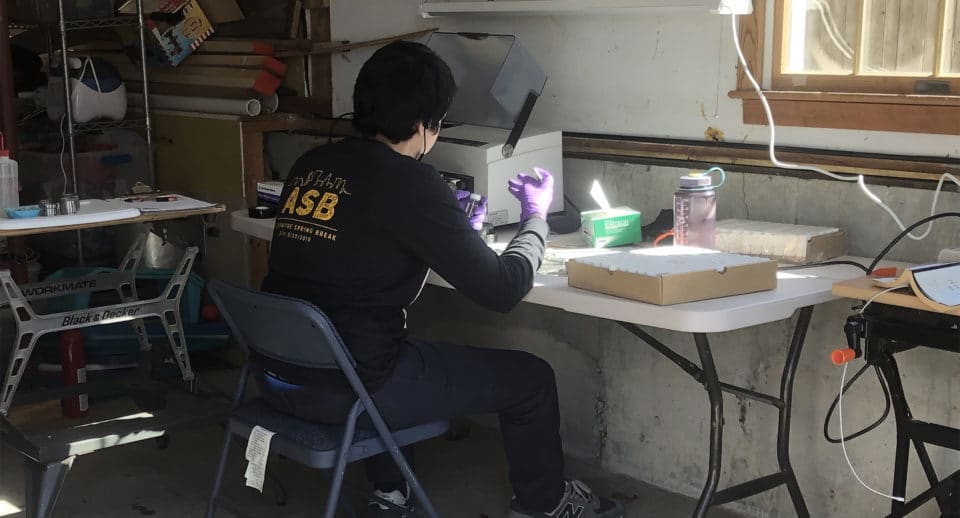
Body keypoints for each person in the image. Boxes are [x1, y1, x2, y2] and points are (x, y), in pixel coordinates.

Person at [259, 40, 623, 518]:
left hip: (278, 376)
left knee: (386, 345)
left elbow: (358, 247)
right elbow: (502, 289)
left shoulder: (312, 165)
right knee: (531, 378)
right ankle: (545, 505)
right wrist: (535, 217)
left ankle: (390, 495)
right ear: (423, 126)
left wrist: (446, 233)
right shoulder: (409, 182)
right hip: (354, 390)